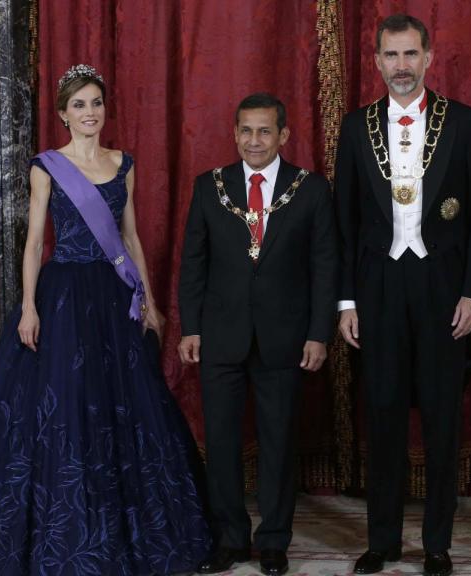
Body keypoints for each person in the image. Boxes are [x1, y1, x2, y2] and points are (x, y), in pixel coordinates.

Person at [0, 64, 212, 575]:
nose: (89, 112)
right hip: (62, 298)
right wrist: (30, 306)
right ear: (63, 114)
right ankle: (58, 532)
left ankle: (124, 531)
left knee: (122, 408)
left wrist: (146, 298)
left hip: (113, 296)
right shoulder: (46, 167)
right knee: (60, 407)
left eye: (96, 103)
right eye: (78, 105)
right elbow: (34, 243)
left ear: (105, 109)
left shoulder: (123, 164)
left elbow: (129, 239)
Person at [333, 14, 471, 576]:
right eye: (390, 56)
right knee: (382, 419)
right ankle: (382, 542)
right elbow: (344, 224)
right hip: (377, 289)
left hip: (443, 290)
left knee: (443, 420)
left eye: (410, 54)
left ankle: (436, 545)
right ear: (376, 61)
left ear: (429, 56)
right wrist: (346, 301)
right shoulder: (356, 128)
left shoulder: (466, 124)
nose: (400, 66)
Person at [177, 92, 338, 576]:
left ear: (284, 135)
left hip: (285, 338)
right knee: (222, 445)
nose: (254, 140)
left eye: (265, 130)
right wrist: (192, 327)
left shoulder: (310, 189)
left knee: (277, 444)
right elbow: (193, 264)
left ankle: (273, 542)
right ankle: (229, 539)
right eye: (245, 130)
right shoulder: (211, 186)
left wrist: (318, 334)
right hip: (221, 336)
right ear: (234, 133)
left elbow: (325, 267)